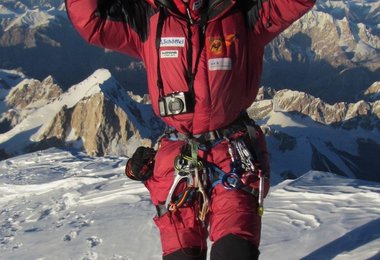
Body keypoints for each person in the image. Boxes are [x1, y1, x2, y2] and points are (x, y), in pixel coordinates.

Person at [65, 0, 316, 258]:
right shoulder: (148, 16)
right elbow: (92, 20)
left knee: (235, 251)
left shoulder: (244, 10)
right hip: (178, 163)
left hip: (233, 157)